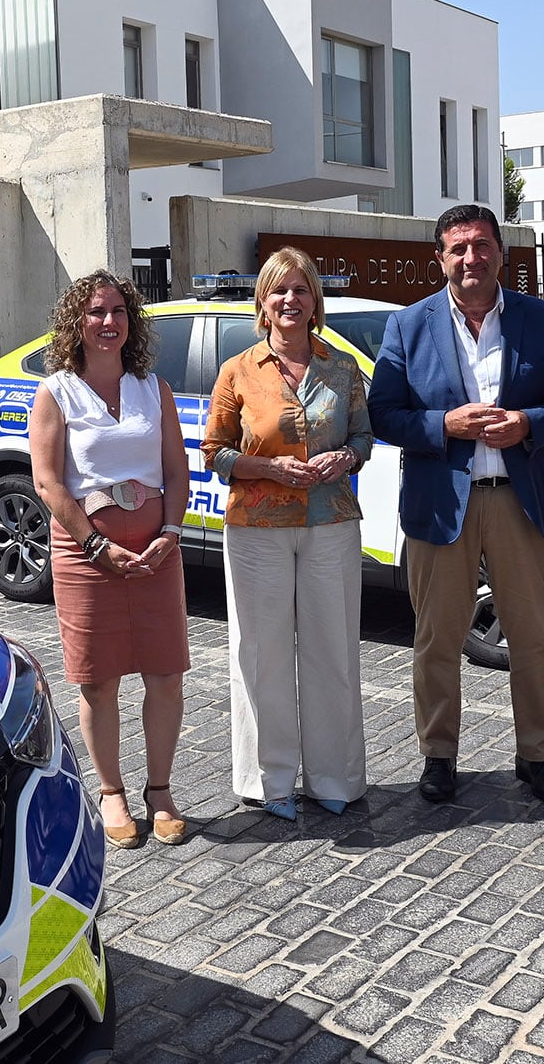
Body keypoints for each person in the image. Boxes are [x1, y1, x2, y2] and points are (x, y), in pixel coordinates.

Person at [368, 204, 544, 806]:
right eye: (458, 247)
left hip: (523, 502)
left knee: (535, 637)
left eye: (482, 245)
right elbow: (383, 414)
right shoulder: (409, 327)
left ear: (500, 253)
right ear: (440, 257)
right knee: (437, 640)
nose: (471, 258)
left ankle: (537, 755)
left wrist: (528, 423)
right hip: (443, 506)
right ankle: (439, 756)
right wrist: (445, 424)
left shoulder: (541, 320)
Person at [200, 247, 373, 820]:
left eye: (301, 289)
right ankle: (268, 782)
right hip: (256, 530)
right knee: (262, 654)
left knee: (333, 652)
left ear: (315, 301)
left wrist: (345, 458)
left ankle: (335, 779)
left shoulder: (342, 368)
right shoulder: (238, 370)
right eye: (279, 291)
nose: (290, 300)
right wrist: (269, 468)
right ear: (263, 303)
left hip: (331, 524)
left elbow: (365, 440)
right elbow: (215, 454)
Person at [29, 270, 191, 849]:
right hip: (86, 557)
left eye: (118, 311)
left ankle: (161, 791)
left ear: (132, 321)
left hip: (154, 556)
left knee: (165, 675)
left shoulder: (154, 387)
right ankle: (111, 790)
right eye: (96, 311)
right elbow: (48, 483)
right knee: (98, 682)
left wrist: (170, 532)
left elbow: (176, 469)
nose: (108, 322)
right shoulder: (57, 391)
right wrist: (97, 545)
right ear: (77, 321)